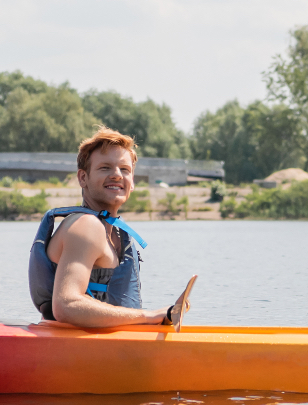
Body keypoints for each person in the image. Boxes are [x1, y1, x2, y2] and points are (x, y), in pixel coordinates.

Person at [27, 128, 196, 328]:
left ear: (132, 182)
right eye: (105, 168)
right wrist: (150, 316)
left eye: (124, 169)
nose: (116, 175)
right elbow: (66, 305)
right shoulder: (86, 226)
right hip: (71, 349)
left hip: (100, 347)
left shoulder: (115, 232)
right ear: (83, 178)